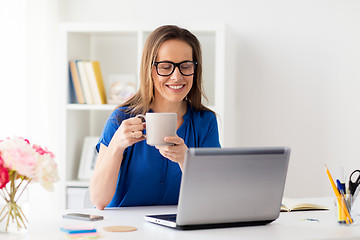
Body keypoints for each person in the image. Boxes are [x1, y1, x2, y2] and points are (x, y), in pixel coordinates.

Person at [90, 25, 221, 210]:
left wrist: (186, 160)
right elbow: (98, 200)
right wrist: (116, 146)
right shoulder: (120, 119)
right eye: (166, 67)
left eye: (185, 66)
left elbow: (212, 198)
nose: (177, 76)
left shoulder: (205, 122)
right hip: (126, 230)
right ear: (149, 69)